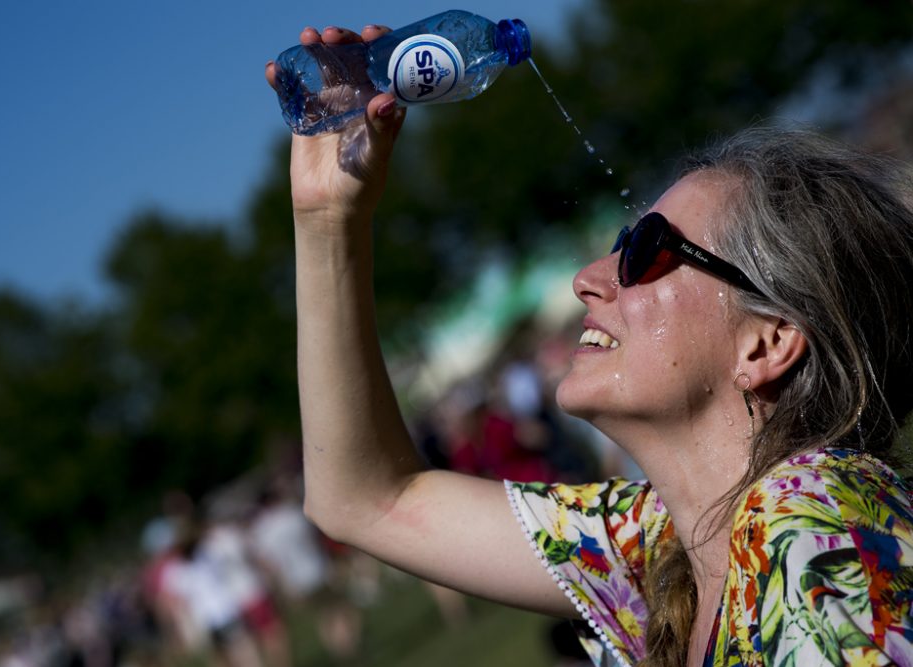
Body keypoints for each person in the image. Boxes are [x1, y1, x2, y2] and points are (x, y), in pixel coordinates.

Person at [265, 25, 913, 667]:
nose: (588, 279)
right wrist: (326, 220)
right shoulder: (660, 543)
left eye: (646, 250)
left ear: (767, 342)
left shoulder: (823, 538)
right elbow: (365, 499)